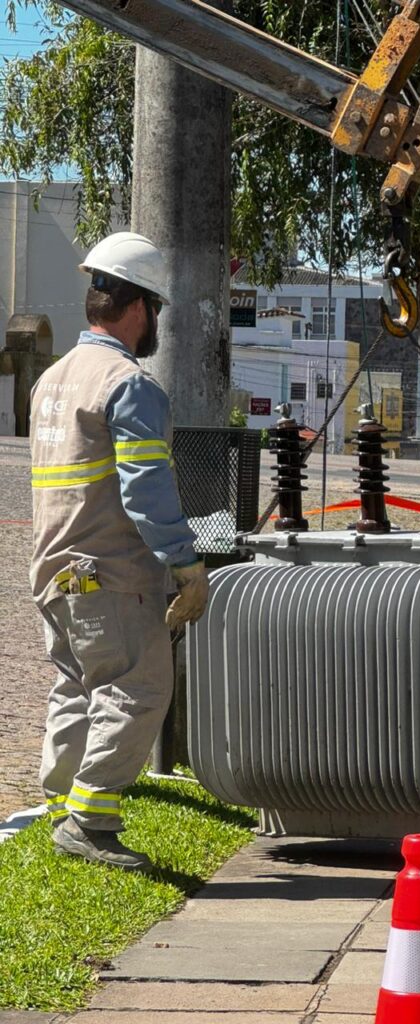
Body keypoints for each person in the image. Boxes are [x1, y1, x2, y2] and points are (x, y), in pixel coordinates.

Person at [29, 231, 209, 872]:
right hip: (110, 574)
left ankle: (61, 806)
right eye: (155, 306)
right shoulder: (129, 385)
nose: (156, 319)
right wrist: (185, 564)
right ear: (139, 307)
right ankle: (90, 819)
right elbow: (145, 490)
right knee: (137, 688)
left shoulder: (52, 380)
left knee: (78, 686)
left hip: (56, 569)